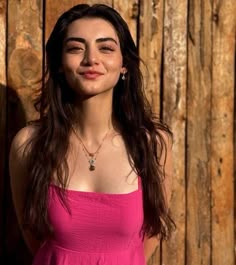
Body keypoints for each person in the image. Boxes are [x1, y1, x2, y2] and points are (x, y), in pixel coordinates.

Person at [9, 3, 174, 265]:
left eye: (106, 47)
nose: (91, 59)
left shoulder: (151, 144)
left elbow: (150, 237)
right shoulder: (29, 144)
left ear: (124, 65)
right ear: (60, 64)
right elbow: (34, 239)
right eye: (75, 48)